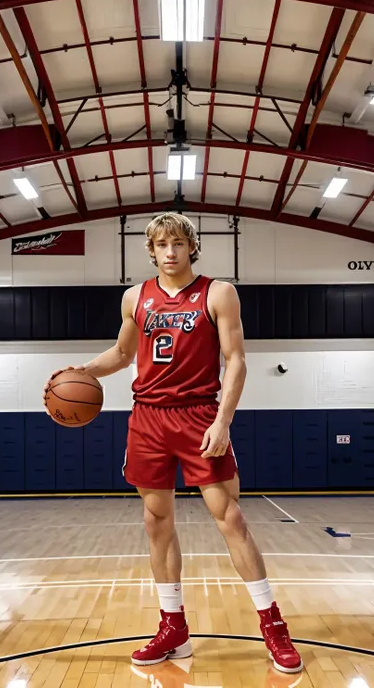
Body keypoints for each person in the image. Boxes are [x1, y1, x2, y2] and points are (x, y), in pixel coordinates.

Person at [43, 212, 302, 674]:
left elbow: (236, 361)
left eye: (178, 243)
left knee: (230, 517)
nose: (170, 251)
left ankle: (273, 626)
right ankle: (173, 627)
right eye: (162, 243)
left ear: (191, 247)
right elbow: (123, 353)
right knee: (155, 520)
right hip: (148, 418)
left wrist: (222, 422)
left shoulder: (218, 293)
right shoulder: (134, 297)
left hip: (200, 413)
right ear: (151, 249)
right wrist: (81, 372)